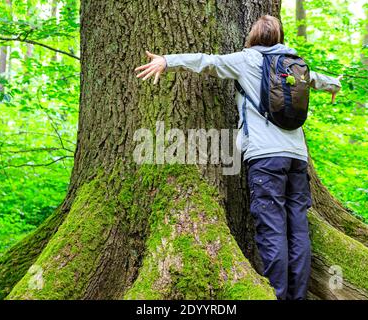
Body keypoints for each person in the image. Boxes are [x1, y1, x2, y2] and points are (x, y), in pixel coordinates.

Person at [135, 15, 341, 300]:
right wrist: (335, 85)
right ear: (279, 37)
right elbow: (317, 80)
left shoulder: (247, 60)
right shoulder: (295, 63)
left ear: (253, 37)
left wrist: (167, 60)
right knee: (298, 229)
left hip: (266, 158)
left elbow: (208, 61)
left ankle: (277, 296)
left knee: (272, 230)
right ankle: (298, 296)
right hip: (296, 157)